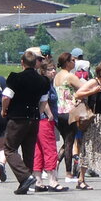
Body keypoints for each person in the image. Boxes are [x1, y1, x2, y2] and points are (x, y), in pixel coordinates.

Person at [1, 49, 52, 195]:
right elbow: (43, 102)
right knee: (29, 151)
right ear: (36, 63)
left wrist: (4, 110)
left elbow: (6, 97)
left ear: (22, 62)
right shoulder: (43, 81)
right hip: (34, 117)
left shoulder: (15, 78)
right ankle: (25, 183)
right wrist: (38, 113)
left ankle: (25, 177)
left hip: (17, 117)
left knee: (10, 149)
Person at [72, 60, 101, 189]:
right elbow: (78, 94)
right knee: (89, 148)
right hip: (95, 120)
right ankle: (81, 179)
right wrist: (92, 91)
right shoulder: (94, 82)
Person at [32, 54, 69, 191]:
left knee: (39, 151)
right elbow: (44, 100)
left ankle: (38, 181)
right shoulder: (45, 83)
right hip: (45, 121)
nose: (53, 71)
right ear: (43, 71)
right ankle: (53, 181)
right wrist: (49, 114)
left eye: (54, 69)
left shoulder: (42, 82)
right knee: (50, 149)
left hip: (36, 121)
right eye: (50, 69)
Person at [54, 51, 85, 178]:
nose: (74, 62)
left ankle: (54, 164)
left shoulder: (57, 76)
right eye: (72, 60)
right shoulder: (70, 76)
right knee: (69, 142)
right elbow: (83, 87)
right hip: (69, 111)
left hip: (58, 111)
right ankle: (68, 173)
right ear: (67, 63)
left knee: (66, 140)